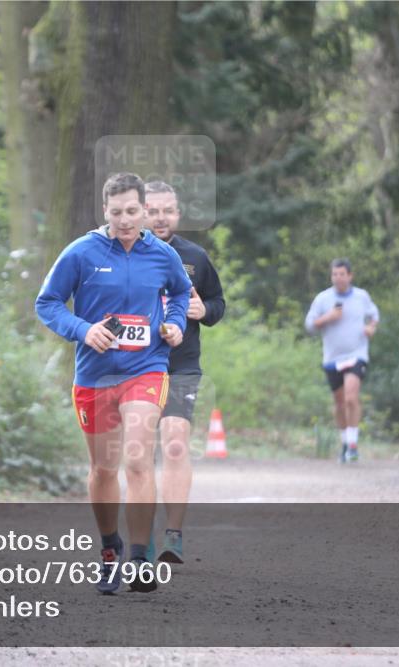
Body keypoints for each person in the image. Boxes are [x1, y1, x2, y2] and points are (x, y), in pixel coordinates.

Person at [35, 172, 192, 594]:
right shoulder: (81, 253)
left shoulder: (162, 255)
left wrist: (175, 324)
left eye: (133, 211)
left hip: (146, 368)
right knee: (104, 469)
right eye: (117, 212)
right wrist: (83, 330)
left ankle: (140, 557)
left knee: (138, 460)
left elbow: (180, 294)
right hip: (95, 374)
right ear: (105, 211)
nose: (126, 220)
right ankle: (110, 549)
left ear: (144, 210)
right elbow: (47, 303)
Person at [145, 181, 225, 565]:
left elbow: (217, 302)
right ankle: (139, 533)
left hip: (181, 364)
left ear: (178, 213)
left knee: (174, 441)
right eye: (153, 210)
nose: (161, 217)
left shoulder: (195, 258)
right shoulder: (121, 256)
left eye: (168, 210)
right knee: (138, 450)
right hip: (134, 366)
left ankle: (172, 535)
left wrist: (203, 312)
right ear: (141, 212)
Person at [304, 259, 380, 463]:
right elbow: (310, 325)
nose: (338, 278)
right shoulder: (323, 299)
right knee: (339, 403)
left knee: (350, 397)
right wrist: (328, 317)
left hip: (357, 354)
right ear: (331, 277)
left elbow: (374, 315)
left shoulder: (361, 296)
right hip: (332, 358)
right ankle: (345, 441)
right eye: (334, 274)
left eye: (342, 274)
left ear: (350, 276)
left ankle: (354, 444)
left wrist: (371, 328)